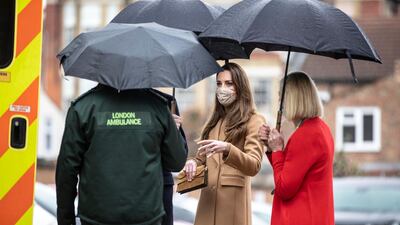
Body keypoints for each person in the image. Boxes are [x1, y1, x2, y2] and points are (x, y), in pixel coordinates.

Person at [56, 84, 187, 225]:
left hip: (96, 217)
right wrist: (173, 130)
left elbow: (66, 172)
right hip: (146, 217)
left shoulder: (83, 108)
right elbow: (176, 162)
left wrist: (66, 220)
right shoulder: (159, 106)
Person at [184, 62, 265, 225]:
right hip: (207, 206)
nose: (222, 89)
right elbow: (201, 159)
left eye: (229, 83)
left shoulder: (254, 120)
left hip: (233, 211)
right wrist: (191, 163)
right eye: (219, 84)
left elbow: (254, 165)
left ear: (240, 87)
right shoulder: (214, 122)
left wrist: (228, 149)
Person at [258, 71, 335, 225]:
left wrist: (278, 150)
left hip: (300, 217)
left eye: (282, 96)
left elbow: (284, 188)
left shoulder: (306, 135)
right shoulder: (319, 128)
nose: (279, 101)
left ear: (294, 99)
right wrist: (270, 147)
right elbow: (289, 171)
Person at [149, 89, 188, 225]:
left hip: (160, 191)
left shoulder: (166, 102)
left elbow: (177, 160)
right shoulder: (114, 104)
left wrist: (172, 132)